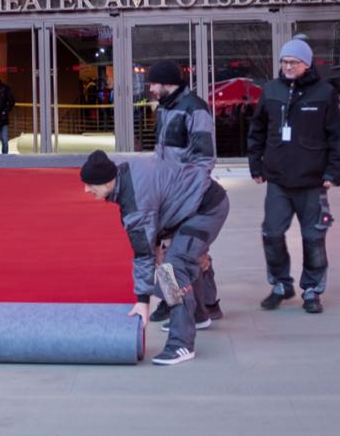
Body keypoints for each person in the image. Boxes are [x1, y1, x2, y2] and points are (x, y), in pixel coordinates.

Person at [80, 150, 229, 365]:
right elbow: (158, 200)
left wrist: (142, 300)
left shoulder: (134, 202)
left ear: (107, 183)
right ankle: (198, 316)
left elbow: (143, 253)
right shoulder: (123, 172)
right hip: (187, 207)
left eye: (90, 184)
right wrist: (158, 242)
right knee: (171, 259)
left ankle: (181, 344)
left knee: (174, 267)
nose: (85, 189)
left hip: (205, 208)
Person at [248, 38, 340, 314]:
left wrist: (334, 172)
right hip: (278, 181)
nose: (288, 66)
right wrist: (255, 165)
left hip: (313, 181)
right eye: (284, 62)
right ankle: (281, 283)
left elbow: (339, 137)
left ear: (307, 64)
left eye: (294, 62)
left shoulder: (324, 93)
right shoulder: (270, 91)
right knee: (271, 233)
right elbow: (257, 130)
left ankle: (313, 290)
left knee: (313, 238)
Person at [145, 60, 222, 325]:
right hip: (168, 191)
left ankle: (206, 304)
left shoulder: (195, 109)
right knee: (170, 252)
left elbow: (204, 158)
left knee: (187, 253)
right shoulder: (165, 109)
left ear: (168, 83)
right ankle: (174, 300)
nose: (151, 89)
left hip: (188, 194)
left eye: (153, 83)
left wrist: (191, 195)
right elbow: (161, 152)